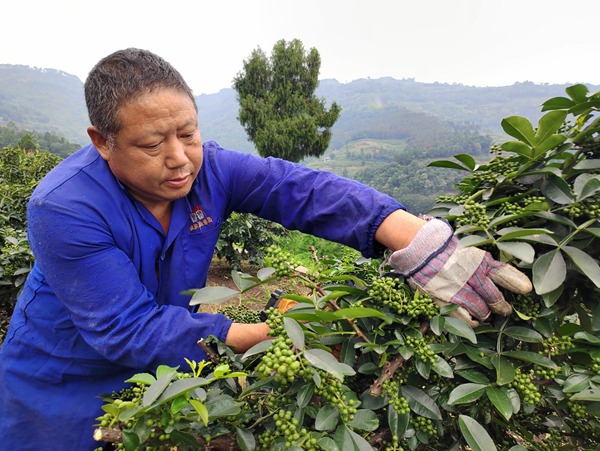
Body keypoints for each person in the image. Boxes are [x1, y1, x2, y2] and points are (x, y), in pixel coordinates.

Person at [0, 48, 532, 450]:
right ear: (101, 141)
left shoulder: (211, 168)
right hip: (59, 375)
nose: (179, 159)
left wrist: (417, 242)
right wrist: (274, 336)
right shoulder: (66, 207)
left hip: (169, 364)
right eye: (150, 144)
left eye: (187, 133)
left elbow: (303, 190)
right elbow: (127, 328)